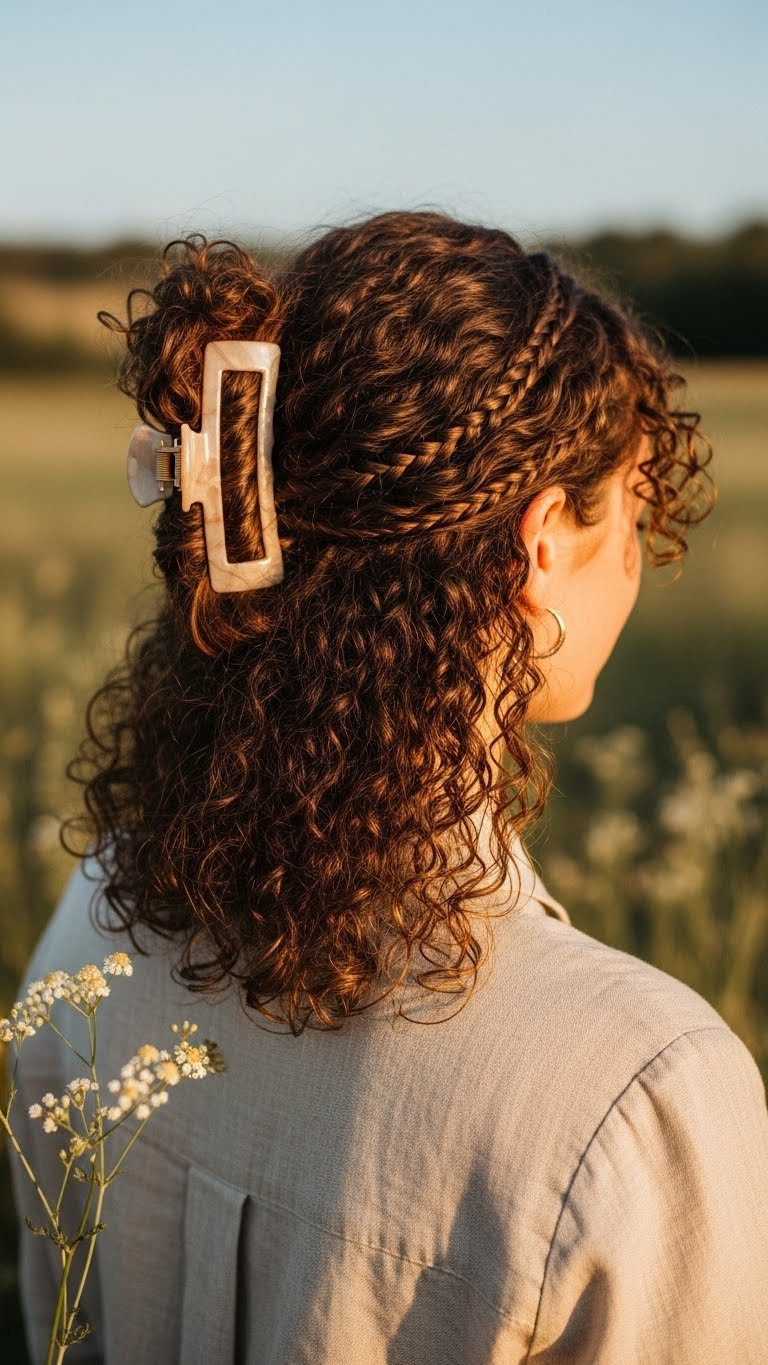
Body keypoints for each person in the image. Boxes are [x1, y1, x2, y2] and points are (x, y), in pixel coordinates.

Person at [10, 212, 768, 1363]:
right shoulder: (646, 1093)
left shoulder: (92, 923)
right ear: (539, 541)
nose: (638, 557)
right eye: (628, 506)